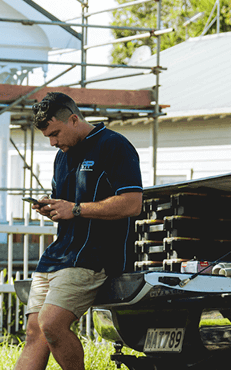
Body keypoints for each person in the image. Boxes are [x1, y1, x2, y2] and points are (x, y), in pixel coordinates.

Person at [14, 92, 143, 370]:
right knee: (35, 332)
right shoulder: (61, 157)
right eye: (48, 136)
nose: (52, 142)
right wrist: (52, 209)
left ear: (74, 119)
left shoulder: (115, 145)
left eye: (56, 133)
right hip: (57, 255)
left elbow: (133, 204)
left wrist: (73, 209)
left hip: (93, 257)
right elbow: (68, 207)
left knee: (51, 324)